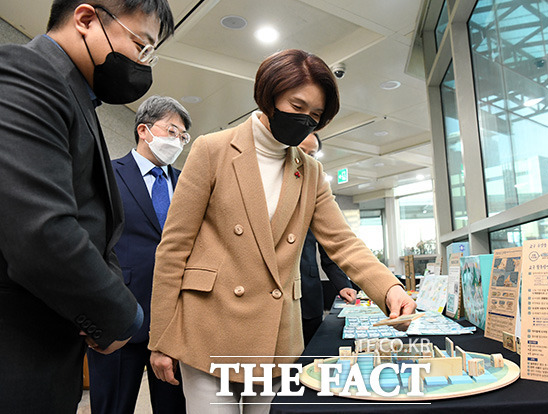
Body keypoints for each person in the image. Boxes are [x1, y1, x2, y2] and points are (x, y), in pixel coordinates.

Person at [148, 49, 416, 413]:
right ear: (270, 94)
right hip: (209, 327)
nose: (305, 119)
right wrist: (160, 338)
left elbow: (343, 242)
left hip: (275, 334)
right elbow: (174, 248)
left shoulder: (311, 172)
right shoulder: (212, 150)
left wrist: (390, 289)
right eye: (297, 105)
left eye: (316, 116)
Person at [0, 1, 173, 412]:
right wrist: (121, 317)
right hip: (18, 347)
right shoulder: (26, 73)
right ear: (86, 19)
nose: (143, 63)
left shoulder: (80, 96)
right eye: (141, 45)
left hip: (53, 345)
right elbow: (41, 232)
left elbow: (98, 227)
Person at [87, 96, 190, 414]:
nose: (177, 141)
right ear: (144, 129)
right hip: (121, 313)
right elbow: (92, 243)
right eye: (171, 131)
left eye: (183, 137)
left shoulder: (186, 182)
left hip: (174, 322)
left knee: (173, 406)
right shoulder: (107, 174)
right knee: (113, 406)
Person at [298, 132, 357, 345]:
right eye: (300, 150)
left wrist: (343, 285)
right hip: (269, 302)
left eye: (311, 154)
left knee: (312, 356)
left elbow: (332, 248)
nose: (304, 158)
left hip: (309, 294)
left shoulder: (316, 193)